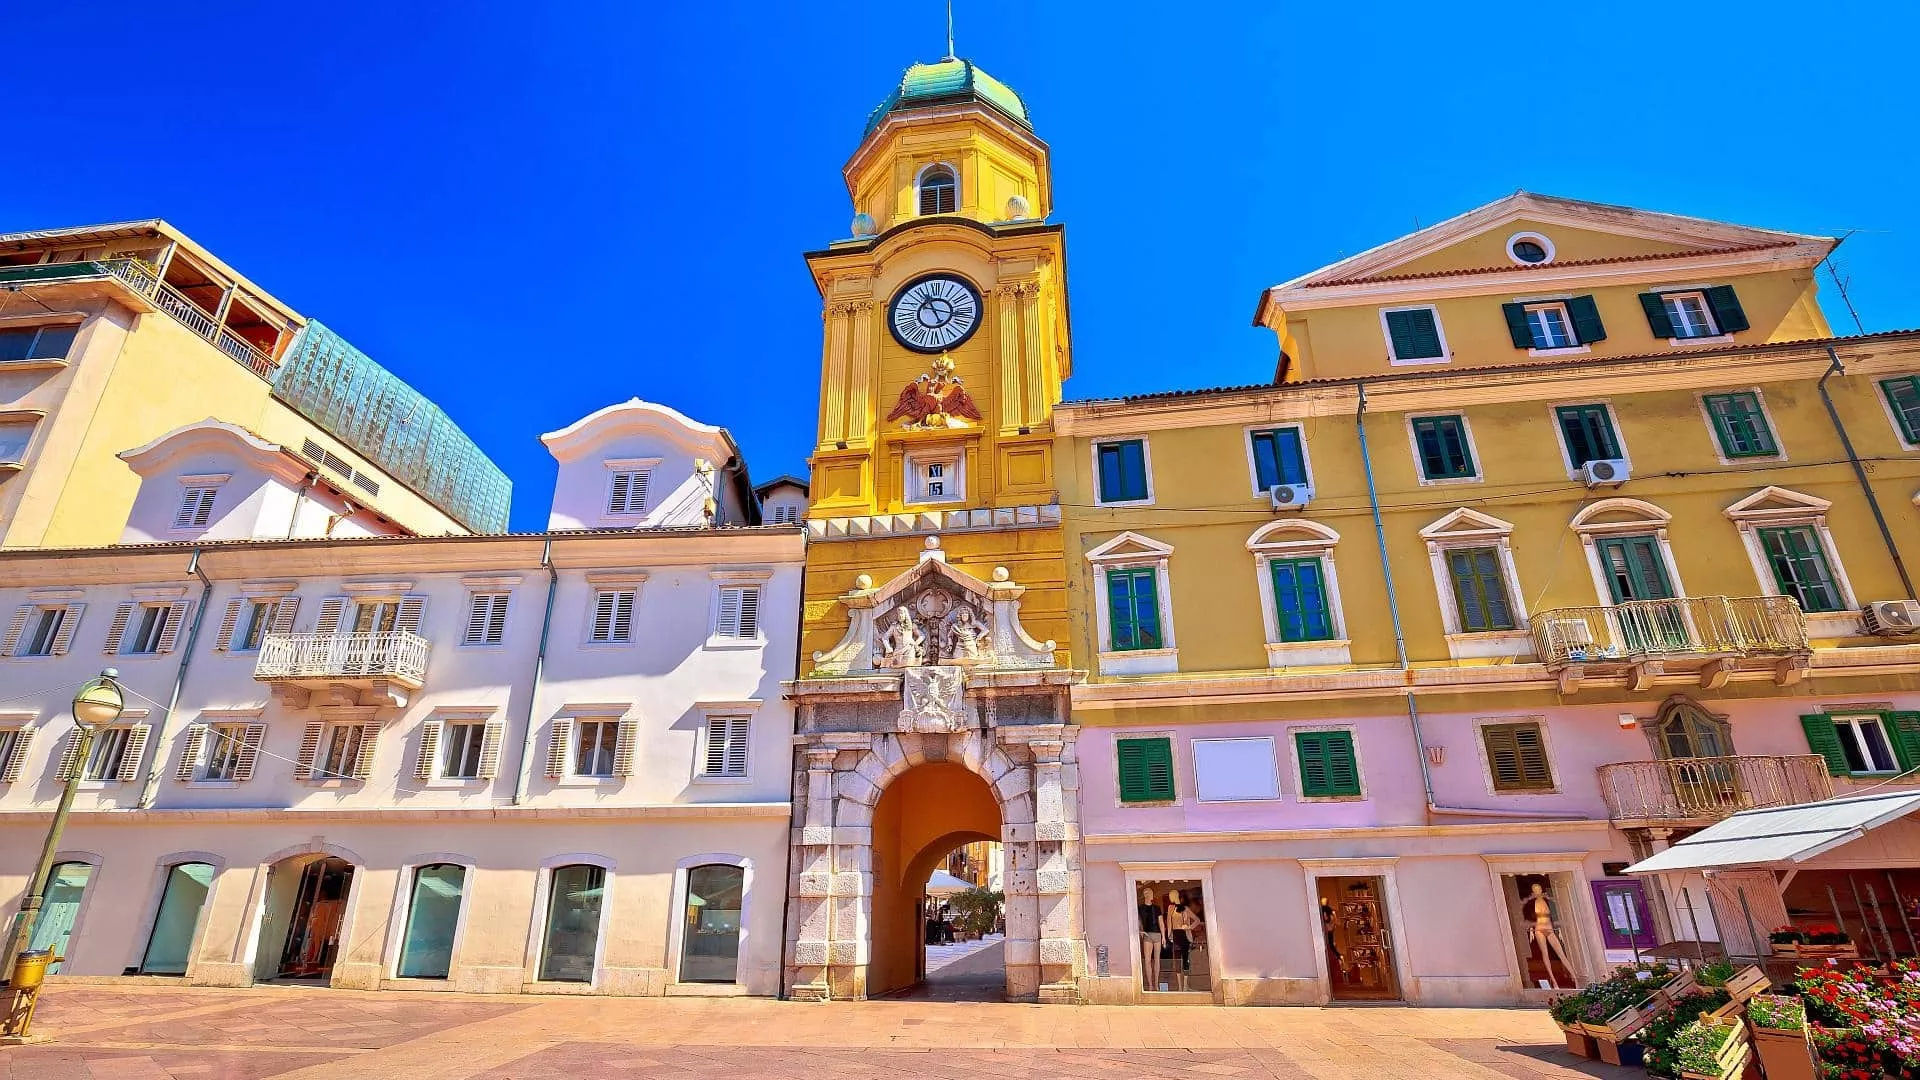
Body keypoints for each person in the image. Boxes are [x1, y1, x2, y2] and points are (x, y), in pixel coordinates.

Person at [1167, 890, 1204, 991]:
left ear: (1176, 895)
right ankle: (1180, 987)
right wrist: (1168, 935)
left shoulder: (1186, 909)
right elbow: (1169, 923)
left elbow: (1197, 920)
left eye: (1171, 895)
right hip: (1175, 935)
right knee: (1177, 960)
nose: (1170, 897)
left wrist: (1189, 927)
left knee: (1185, 959)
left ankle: (1185, 986)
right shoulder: (1171, 908)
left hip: (1184, 935)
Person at [1137, 886, 1166, 991]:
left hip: (1157, 934)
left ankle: (1156, 983)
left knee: (1157, 959)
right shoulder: (1140, 908)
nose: (1152, 895)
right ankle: (1150, 984)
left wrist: (1163, 937)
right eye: (1150, 893)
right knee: (1148, 960)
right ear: (1146, 895)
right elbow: (1137, 921)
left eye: (1152, 893)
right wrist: (1140, 931)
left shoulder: (1156, 908)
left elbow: (1161, 923)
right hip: (1147, 935)